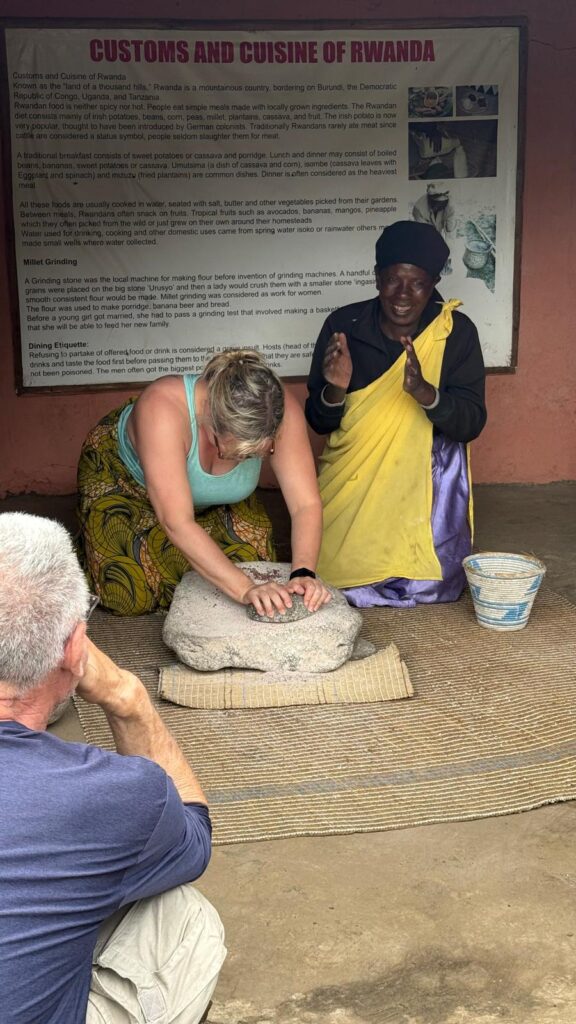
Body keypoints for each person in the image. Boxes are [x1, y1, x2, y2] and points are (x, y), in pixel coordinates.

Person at [0, 512, 226, 1024]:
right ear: (75, 648)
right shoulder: (114, 795)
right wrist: (127, 698)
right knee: (185, 919)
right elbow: (195, 836)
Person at [305, 220, 487, 608]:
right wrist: (335, 388)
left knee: (430, 586)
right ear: (376, 278)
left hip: (426, 480)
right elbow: (318, 421)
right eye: (392, 280)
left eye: (418, 283)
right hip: (350, 479)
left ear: (435, 282)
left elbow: (470, 423)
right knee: (330, 579)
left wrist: (425, 393)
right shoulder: (343, 327)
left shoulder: (454, 333)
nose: (403, 295)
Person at [77, 349, 331, 618]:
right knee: (128, 593)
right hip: (128, 485)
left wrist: (303, 572)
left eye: (255, 456)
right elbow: (177, 521)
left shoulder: (274, 409)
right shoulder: (162, 408)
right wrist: (244, 589)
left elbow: (305, 504)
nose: (245, 461)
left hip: (215, 501)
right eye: (237, 454)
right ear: (210, 421)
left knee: (257, 567)